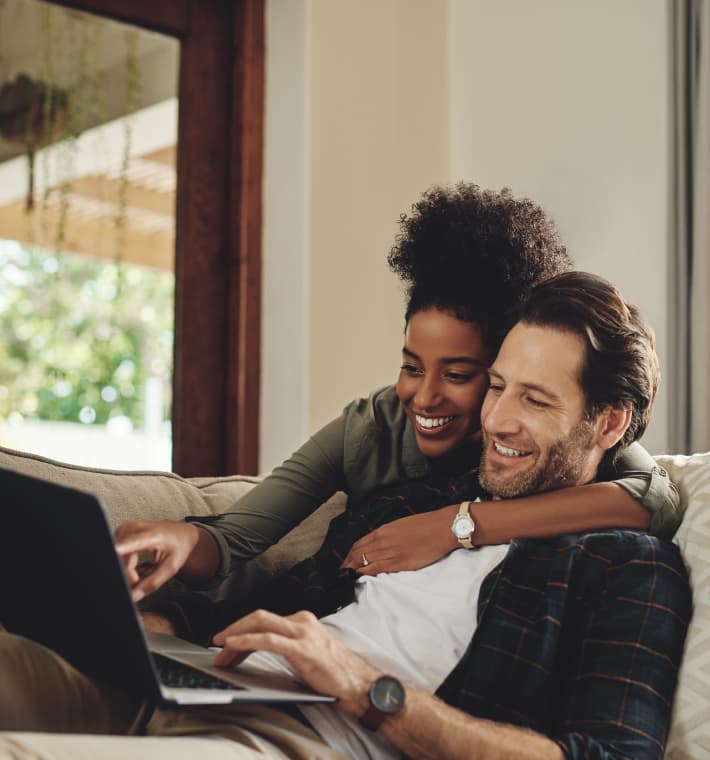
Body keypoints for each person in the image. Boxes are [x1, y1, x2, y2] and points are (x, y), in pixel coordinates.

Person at [0, 271, 691, 760]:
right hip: (205, 689)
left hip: (303, 740)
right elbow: (283, 603)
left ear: (609, 422)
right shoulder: (411, 501)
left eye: (536, 402)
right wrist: (154, 629)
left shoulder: (626, 569)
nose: (498, 420)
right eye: (499, 388)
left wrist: (366, 690)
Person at [115, 185, 679, 608]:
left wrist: (455, 525)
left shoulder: (551, 441)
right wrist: (180, 536)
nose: (424, 397)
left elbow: (655, 498)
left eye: (459, 374)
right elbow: (235, 538)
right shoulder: (373, 428)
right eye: (411, 366)